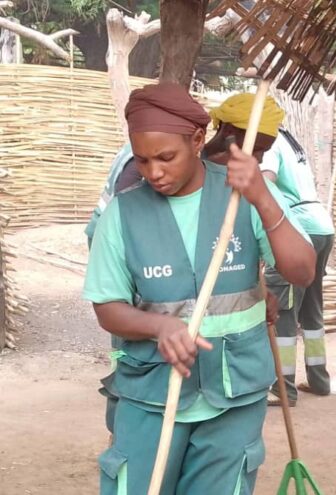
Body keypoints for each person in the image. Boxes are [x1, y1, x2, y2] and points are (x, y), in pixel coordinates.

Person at [83, 83, 315, 495]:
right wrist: (160, 327)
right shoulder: (123, 213)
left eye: (165, 158)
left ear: (196, 140)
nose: (154, 172)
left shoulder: (244, 193)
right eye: (142, 160)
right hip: (151, 392)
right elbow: (107, 307)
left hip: (235, 390)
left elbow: (302, 272)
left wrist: (263, 199)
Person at [259, 126, 336, 405]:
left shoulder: (268, 142)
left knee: (283, 312)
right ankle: (319, 380)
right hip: (321, 227)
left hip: (298, 229)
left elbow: (266, 183)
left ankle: (283, 388)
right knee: (311, 309)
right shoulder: (289, 141)